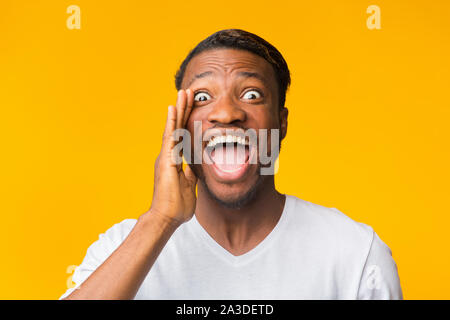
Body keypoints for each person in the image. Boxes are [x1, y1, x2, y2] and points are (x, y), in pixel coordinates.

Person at [60, 29, 402, 300]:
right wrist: (159, 221)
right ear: (180, 125)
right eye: (202, 98)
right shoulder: (121, 249)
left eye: (251, 94)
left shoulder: (355, 253)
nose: (226, 113)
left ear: (281, 123)